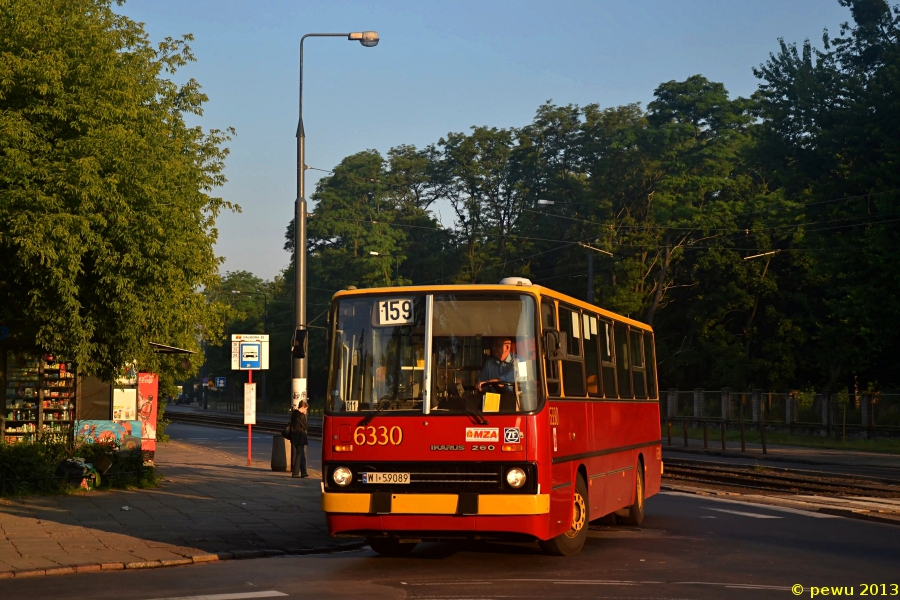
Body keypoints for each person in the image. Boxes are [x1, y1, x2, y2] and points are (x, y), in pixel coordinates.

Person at [289, 401, 309, 478]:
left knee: (302, 454)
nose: (306, 411)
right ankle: (295, 472)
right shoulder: (301, 416)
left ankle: (304, 472)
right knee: (299, 454)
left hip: (294, 436)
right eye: (306, 409)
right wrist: (304, 416)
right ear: (303, 407)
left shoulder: (294, 413)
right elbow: (305, 426)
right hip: (300, 437)